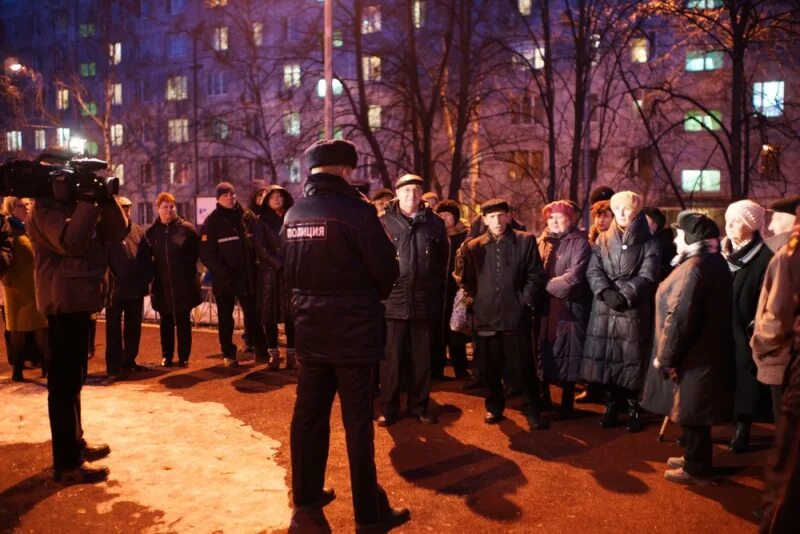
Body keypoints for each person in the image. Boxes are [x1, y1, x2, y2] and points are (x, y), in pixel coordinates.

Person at [282, 139, 409, 531]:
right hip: (353, 333)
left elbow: (286, 272)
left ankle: (306, 495)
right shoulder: (357, 212)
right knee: (357, 423)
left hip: (310, 331)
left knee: (309, 415)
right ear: (345, 170)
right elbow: (386, 270)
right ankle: (368, 516)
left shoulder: (293, 213)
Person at [27, 173, 127, 484]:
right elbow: (71, 242)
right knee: (63, 383)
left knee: (75, 378)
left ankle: (75, 442)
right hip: (63, 303)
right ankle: (66, 462)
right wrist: (87, 202)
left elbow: (117, 231)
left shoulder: (74, 205)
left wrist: (103, 198)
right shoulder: (44, 211)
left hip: (79, 301)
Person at [641, 211, 733, 485]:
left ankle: (697, 468)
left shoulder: (694, 268)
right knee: (694, 410)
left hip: (695, 354)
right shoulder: (711, 261)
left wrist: (667, 356)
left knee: (693, 410)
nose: (676, 239)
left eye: (680, 234)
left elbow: (681, 317)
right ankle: (694, 456)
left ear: (691, 238)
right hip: (707, 350)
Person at [455, 198, 549, 430]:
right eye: (492, 217)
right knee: (489, 367)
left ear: (508, 216)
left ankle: (532, 409)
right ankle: (494, 405)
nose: (497, 221)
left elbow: (535, 276)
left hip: (515, 317)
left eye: (501, 215)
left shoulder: (525, 241)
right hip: (485, 317)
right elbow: (465, 282)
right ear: (485, 220)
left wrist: (524, 302)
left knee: (524, 367)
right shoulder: (474, 247)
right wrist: (473, 304)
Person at [581, 191, 660, 432]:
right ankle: (612, 405)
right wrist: (604, 292)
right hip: (605, 307)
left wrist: (624, 295)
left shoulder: (650, 242)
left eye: (627, 209)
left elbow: (648, 275)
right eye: (618, 209)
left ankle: (634, 407)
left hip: (632, 308)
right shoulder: (603, 239)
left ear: (636, 211)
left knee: (632, 358)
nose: (622, 213)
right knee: (610, 357)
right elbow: (593, 270)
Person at [378, 174, 448, 426]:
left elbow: (442, 260)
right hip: (393, 301)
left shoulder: (435, 223)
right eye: (407, 190)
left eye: (417, 190)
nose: (412, 194)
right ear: (397, 193)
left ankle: (419, 407)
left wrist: (433, 290)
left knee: (422, 360)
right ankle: (389, 408)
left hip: (423, 300)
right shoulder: (383, 222)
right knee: (391, 361)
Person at [753, 217, 800, 532]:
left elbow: (777, 311)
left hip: (789, 360)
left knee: (789, 466)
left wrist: (760, 340)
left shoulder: (790, 255)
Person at [722, 199, 773, 453]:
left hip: (746, 327)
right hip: (723, 324)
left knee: (746, 377)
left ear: (751, 225)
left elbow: (768, 295)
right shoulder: (724, 252)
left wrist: (755, 325)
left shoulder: (765, 257)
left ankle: (744, 427)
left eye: (736, 222)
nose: (729, 226)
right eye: (728, 221)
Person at [534, 201, 592, 420]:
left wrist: (543, 287)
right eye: (550, 218)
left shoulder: (580, 243)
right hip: (545, 308)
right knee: (544, 348)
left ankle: (567, 402)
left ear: (570, 219)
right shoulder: (542, 242)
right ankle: (545, 397)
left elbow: (574, 277)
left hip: (569, 307)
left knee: (569, 353)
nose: (554, 222)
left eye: (559, 217)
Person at [200, 182, 266, 368]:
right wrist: (222, 273)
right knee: (226, 318)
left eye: (232, 194)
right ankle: (229, 353)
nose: (230, 198)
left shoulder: (247, 216)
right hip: (225, 280)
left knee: (253, 314)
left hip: (247, 276)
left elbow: (259, 241)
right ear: (218, 199)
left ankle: (260, 350)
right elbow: (207, 254)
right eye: (225, 195)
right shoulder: (211, 222)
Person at [145, 192, 202, 368]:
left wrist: (193, 275)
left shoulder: (187, 229)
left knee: (183, 321)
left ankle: (183, 356)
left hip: (183, 284)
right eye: (165, 207)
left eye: (172, 206)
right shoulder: (152, 232)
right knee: (166, 322)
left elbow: (197, 254)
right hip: (162, 285)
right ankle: (167, 356)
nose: (169, 210)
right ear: (158, 209)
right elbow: (148, 259)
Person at [3, 197, 49, 382]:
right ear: (11, 209)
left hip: (36, 286)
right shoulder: (8, 230)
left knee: (42, 329)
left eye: (27, 204)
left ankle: (47, 366)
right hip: (16, 290)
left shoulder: (34, 227)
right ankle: (18, 369)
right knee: (18, 333)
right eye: (20, 205)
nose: (25, 208)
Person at [104, 196, 150, 378]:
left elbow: (146, 257)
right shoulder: (107, 232)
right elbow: (104, 260)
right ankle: (113, 367)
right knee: (113, 329)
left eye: (128, 208)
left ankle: (129, 361)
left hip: (135, 288)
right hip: (115, 290)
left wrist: (145, 278)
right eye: (122, 208)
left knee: (133, 327)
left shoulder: (138, 231)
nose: (126, 212)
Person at [257, 185, 296, 370]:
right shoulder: (261, 221)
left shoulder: (293, 217)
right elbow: (261, 248)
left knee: (291, 315)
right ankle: (273, 354)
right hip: (269, 275)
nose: (277, 199)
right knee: (269, 315)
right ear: (266, 200)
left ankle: (292, 355)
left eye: (280, 196)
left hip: (291, 272)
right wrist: (278, 263)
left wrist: (292, 262)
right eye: (273, 197)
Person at [435, 199, 470, 379]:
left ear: (455, 217)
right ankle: (437, 369)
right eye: (440, 215)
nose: (444, 218)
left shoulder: (464, 237)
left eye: (448, 215)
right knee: (437, 333)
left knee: (456, 331)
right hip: (438, 291)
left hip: (457, 291)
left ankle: (461, 369)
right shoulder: (434, 235)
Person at [643, 206, 677, 281]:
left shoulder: (663, 243)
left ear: (656, 223)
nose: (641, 223)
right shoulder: (648, 241)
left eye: (645, 220)